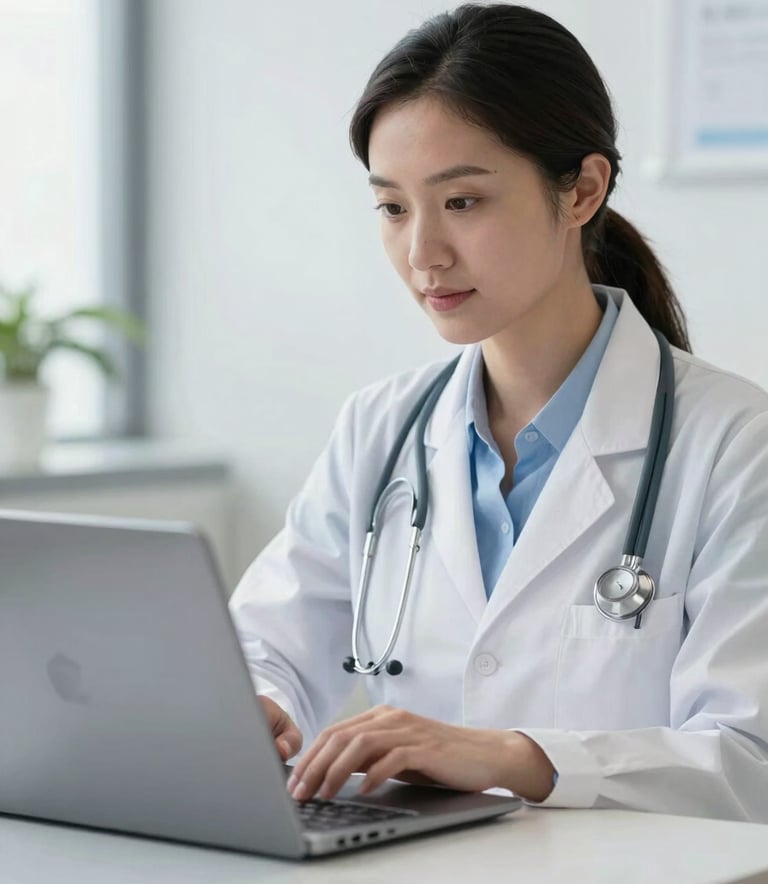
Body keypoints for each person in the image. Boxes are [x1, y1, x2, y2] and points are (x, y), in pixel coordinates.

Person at [229, 4, 768, 821]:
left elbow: (750, 758)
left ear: (583, 190)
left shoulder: (733, 446)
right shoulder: (381, 428)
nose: (423, 255)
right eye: (393, 208)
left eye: (464, 203)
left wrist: (520, 757)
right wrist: (260, 706)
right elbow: (266, 641)